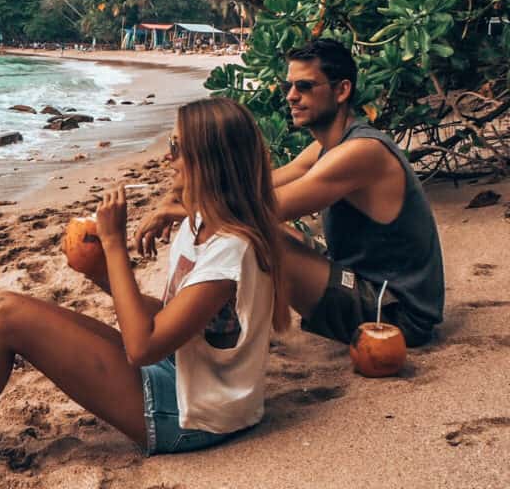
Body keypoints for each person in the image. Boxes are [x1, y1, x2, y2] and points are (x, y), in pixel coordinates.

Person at [0, 99, 289, 488]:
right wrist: (102, 270)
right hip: (180, 377)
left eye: (177, 146)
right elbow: (168, 323)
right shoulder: (199, 226)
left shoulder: (232, 249)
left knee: (7, 319)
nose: (167, 156)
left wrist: (115, 246)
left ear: (209, 161)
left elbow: (143, 345)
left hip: (193, 417)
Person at [138, 39, 444, 348]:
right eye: (290, 86)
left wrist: (174, 211)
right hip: (362, 281)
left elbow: (248, 212)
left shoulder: (361, 152)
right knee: (265, 231)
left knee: (254, 236)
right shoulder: (327, 148)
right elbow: (255, 187)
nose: (291, 96)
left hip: (396, 315)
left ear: (342, 91)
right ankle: (214, 321)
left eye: (305, 86)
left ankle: (217, 335)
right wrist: (180, 193)